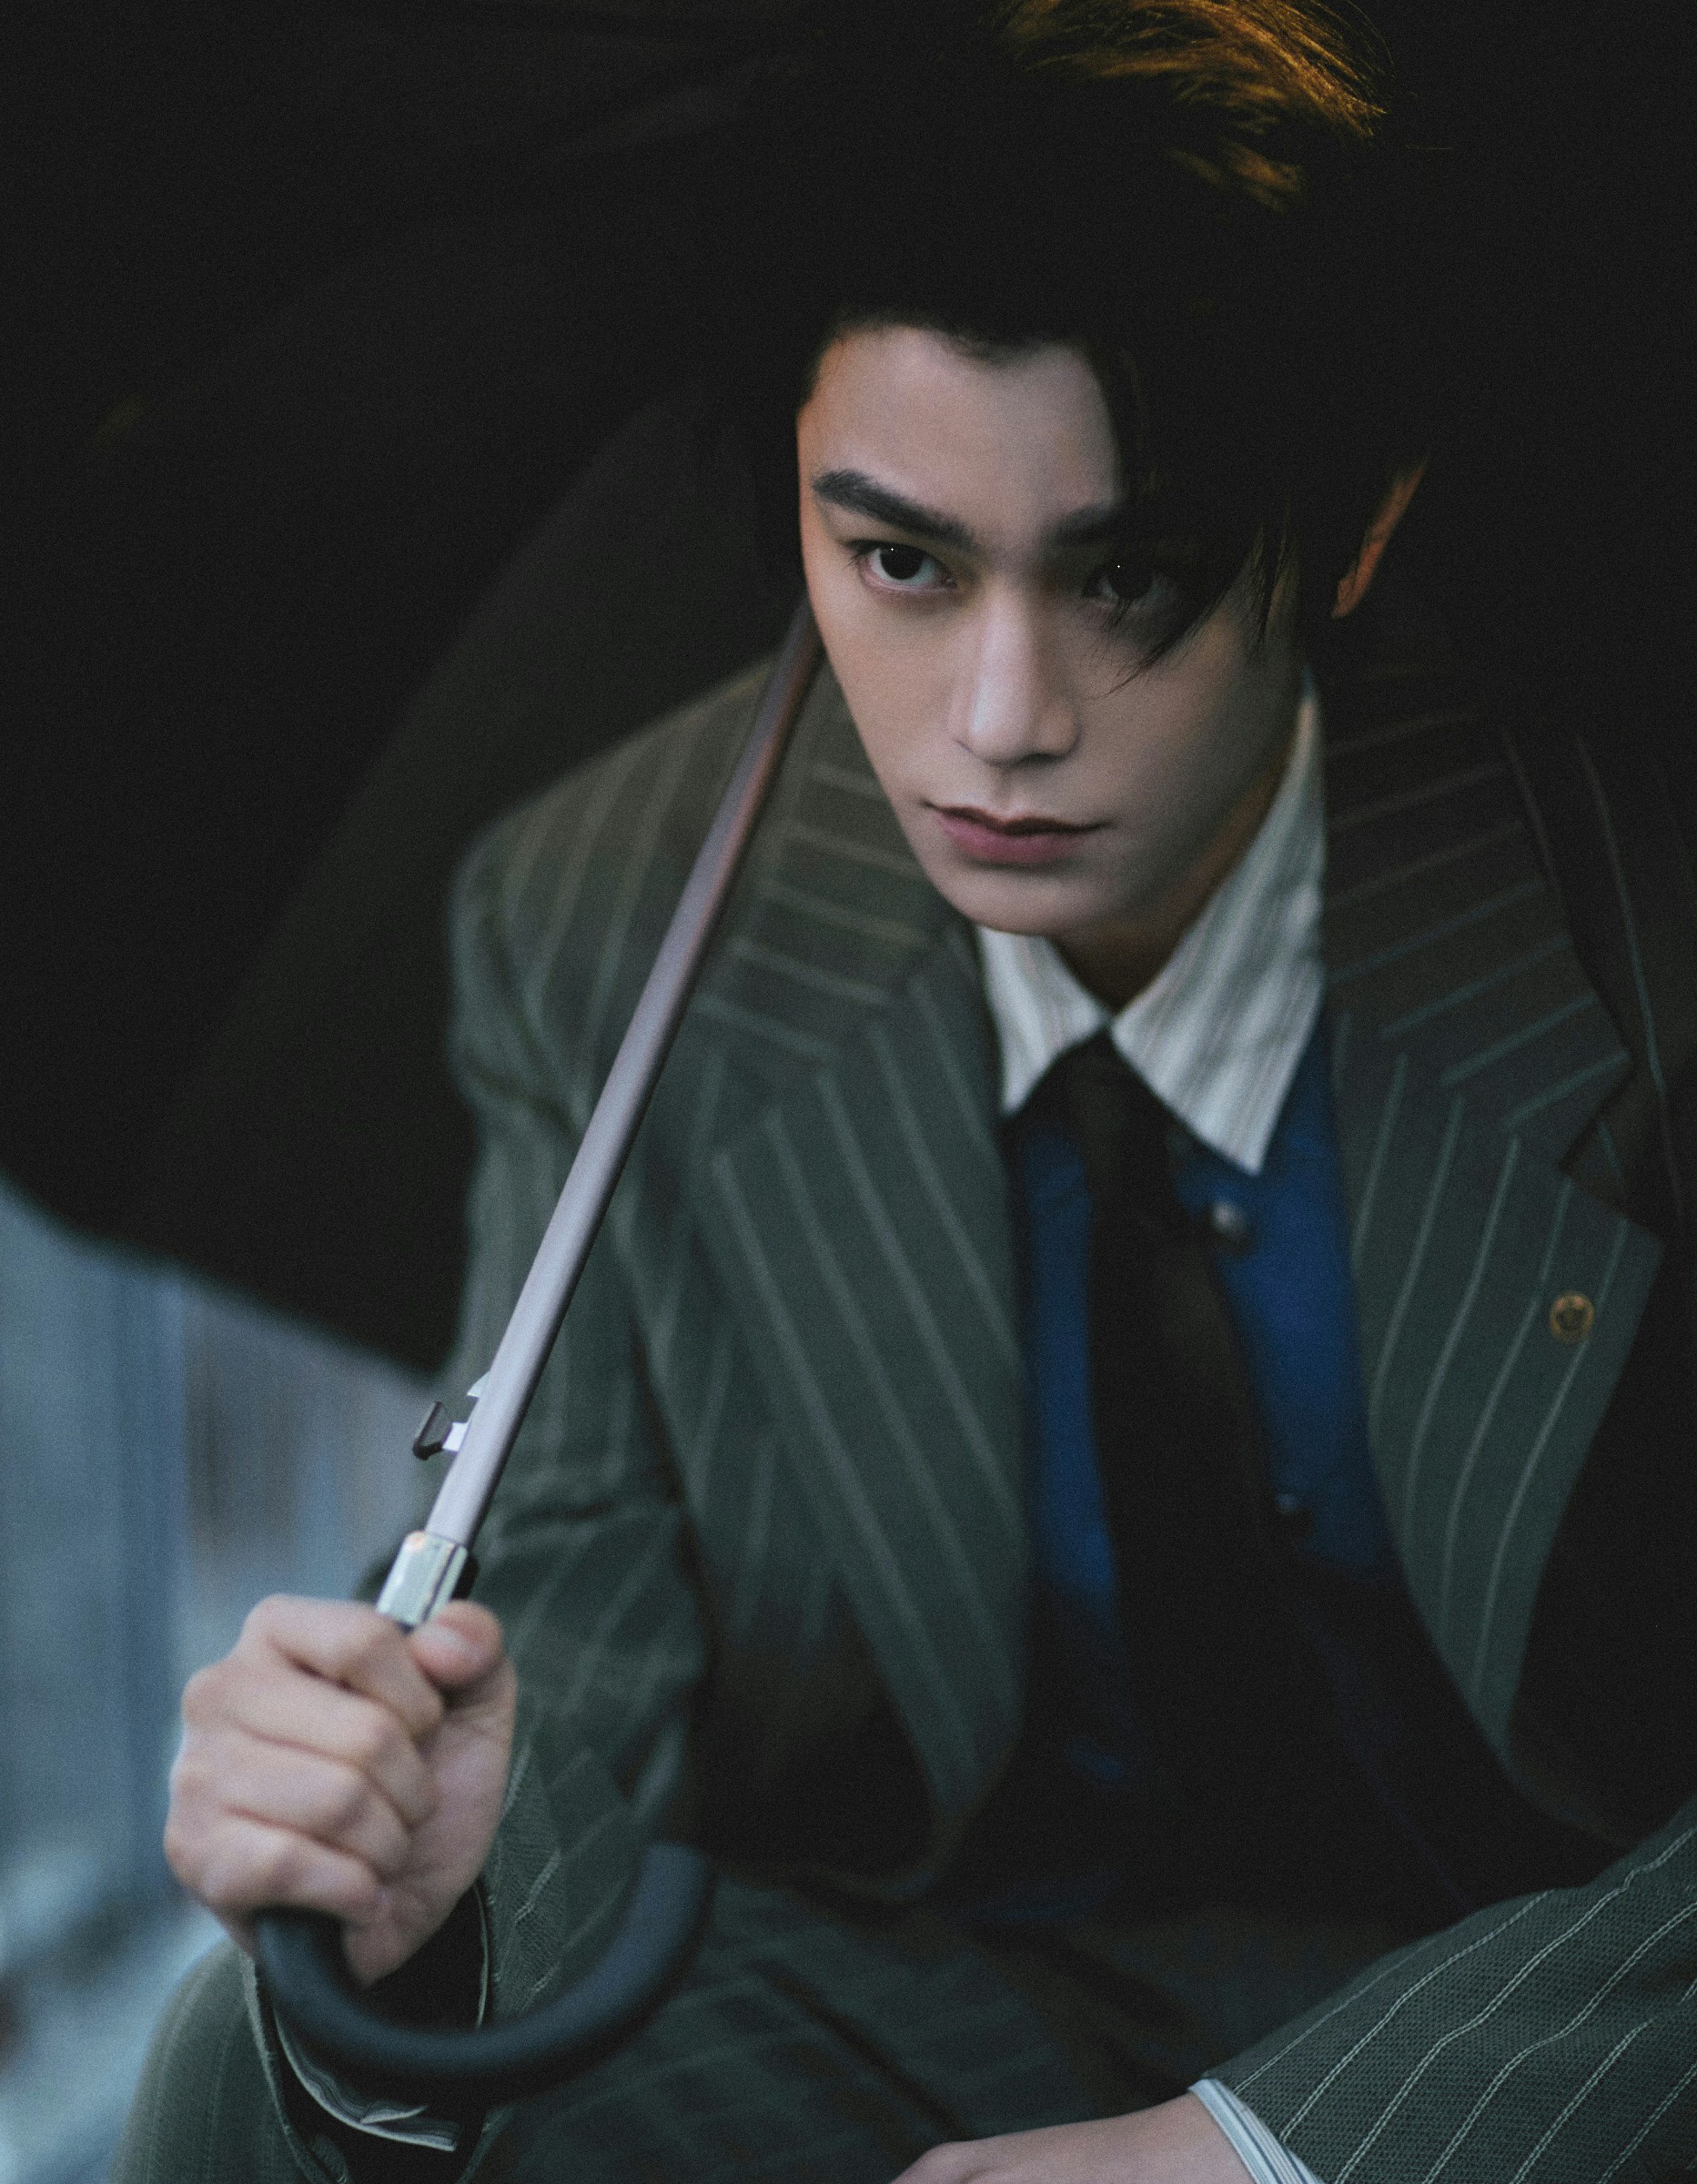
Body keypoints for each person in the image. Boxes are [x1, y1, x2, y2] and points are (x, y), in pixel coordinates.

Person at [117, 3, 1697, 2179]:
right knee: (265, 2054)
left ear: (1353, 531)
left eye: (1128, 575)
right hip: (959, 1998)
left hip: (1554, 2016)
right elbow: (574, 1646)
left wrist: (1262, 2153)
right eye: (900, 560)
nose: (998, 721)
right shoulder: (614, 926)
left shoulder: (1636, 915)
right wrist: (427, 1872)